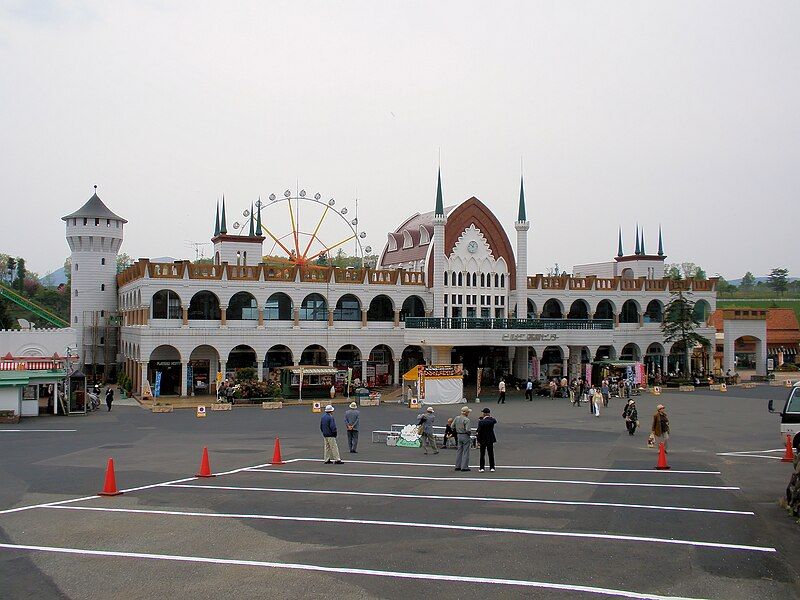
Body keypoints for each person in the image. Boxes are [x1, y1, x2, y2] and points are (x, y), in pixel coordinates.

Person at [476, 407, 497, 472]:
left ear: (484, 413)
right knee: (491, 453)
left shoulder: (481, 422)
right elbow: (494, 420)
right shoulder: (492, 421)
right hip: (490, 438)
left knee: (482, 454)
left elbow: (479, 431)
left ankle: (482, 467)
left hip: (483, 439)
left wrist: (478, 440)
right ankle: (492, 467)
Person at [452, 406, 472, 471]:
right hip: (465, 435)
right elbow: (468, 430)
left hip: (459, 435)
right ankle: (464, 466)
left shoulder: (457, 418)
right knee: (466, 451)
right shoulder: (467, 420)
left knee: (459, 450)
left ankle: (458, 465)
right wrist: (469, 434)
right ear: (466, 412)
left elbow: (452, 426)